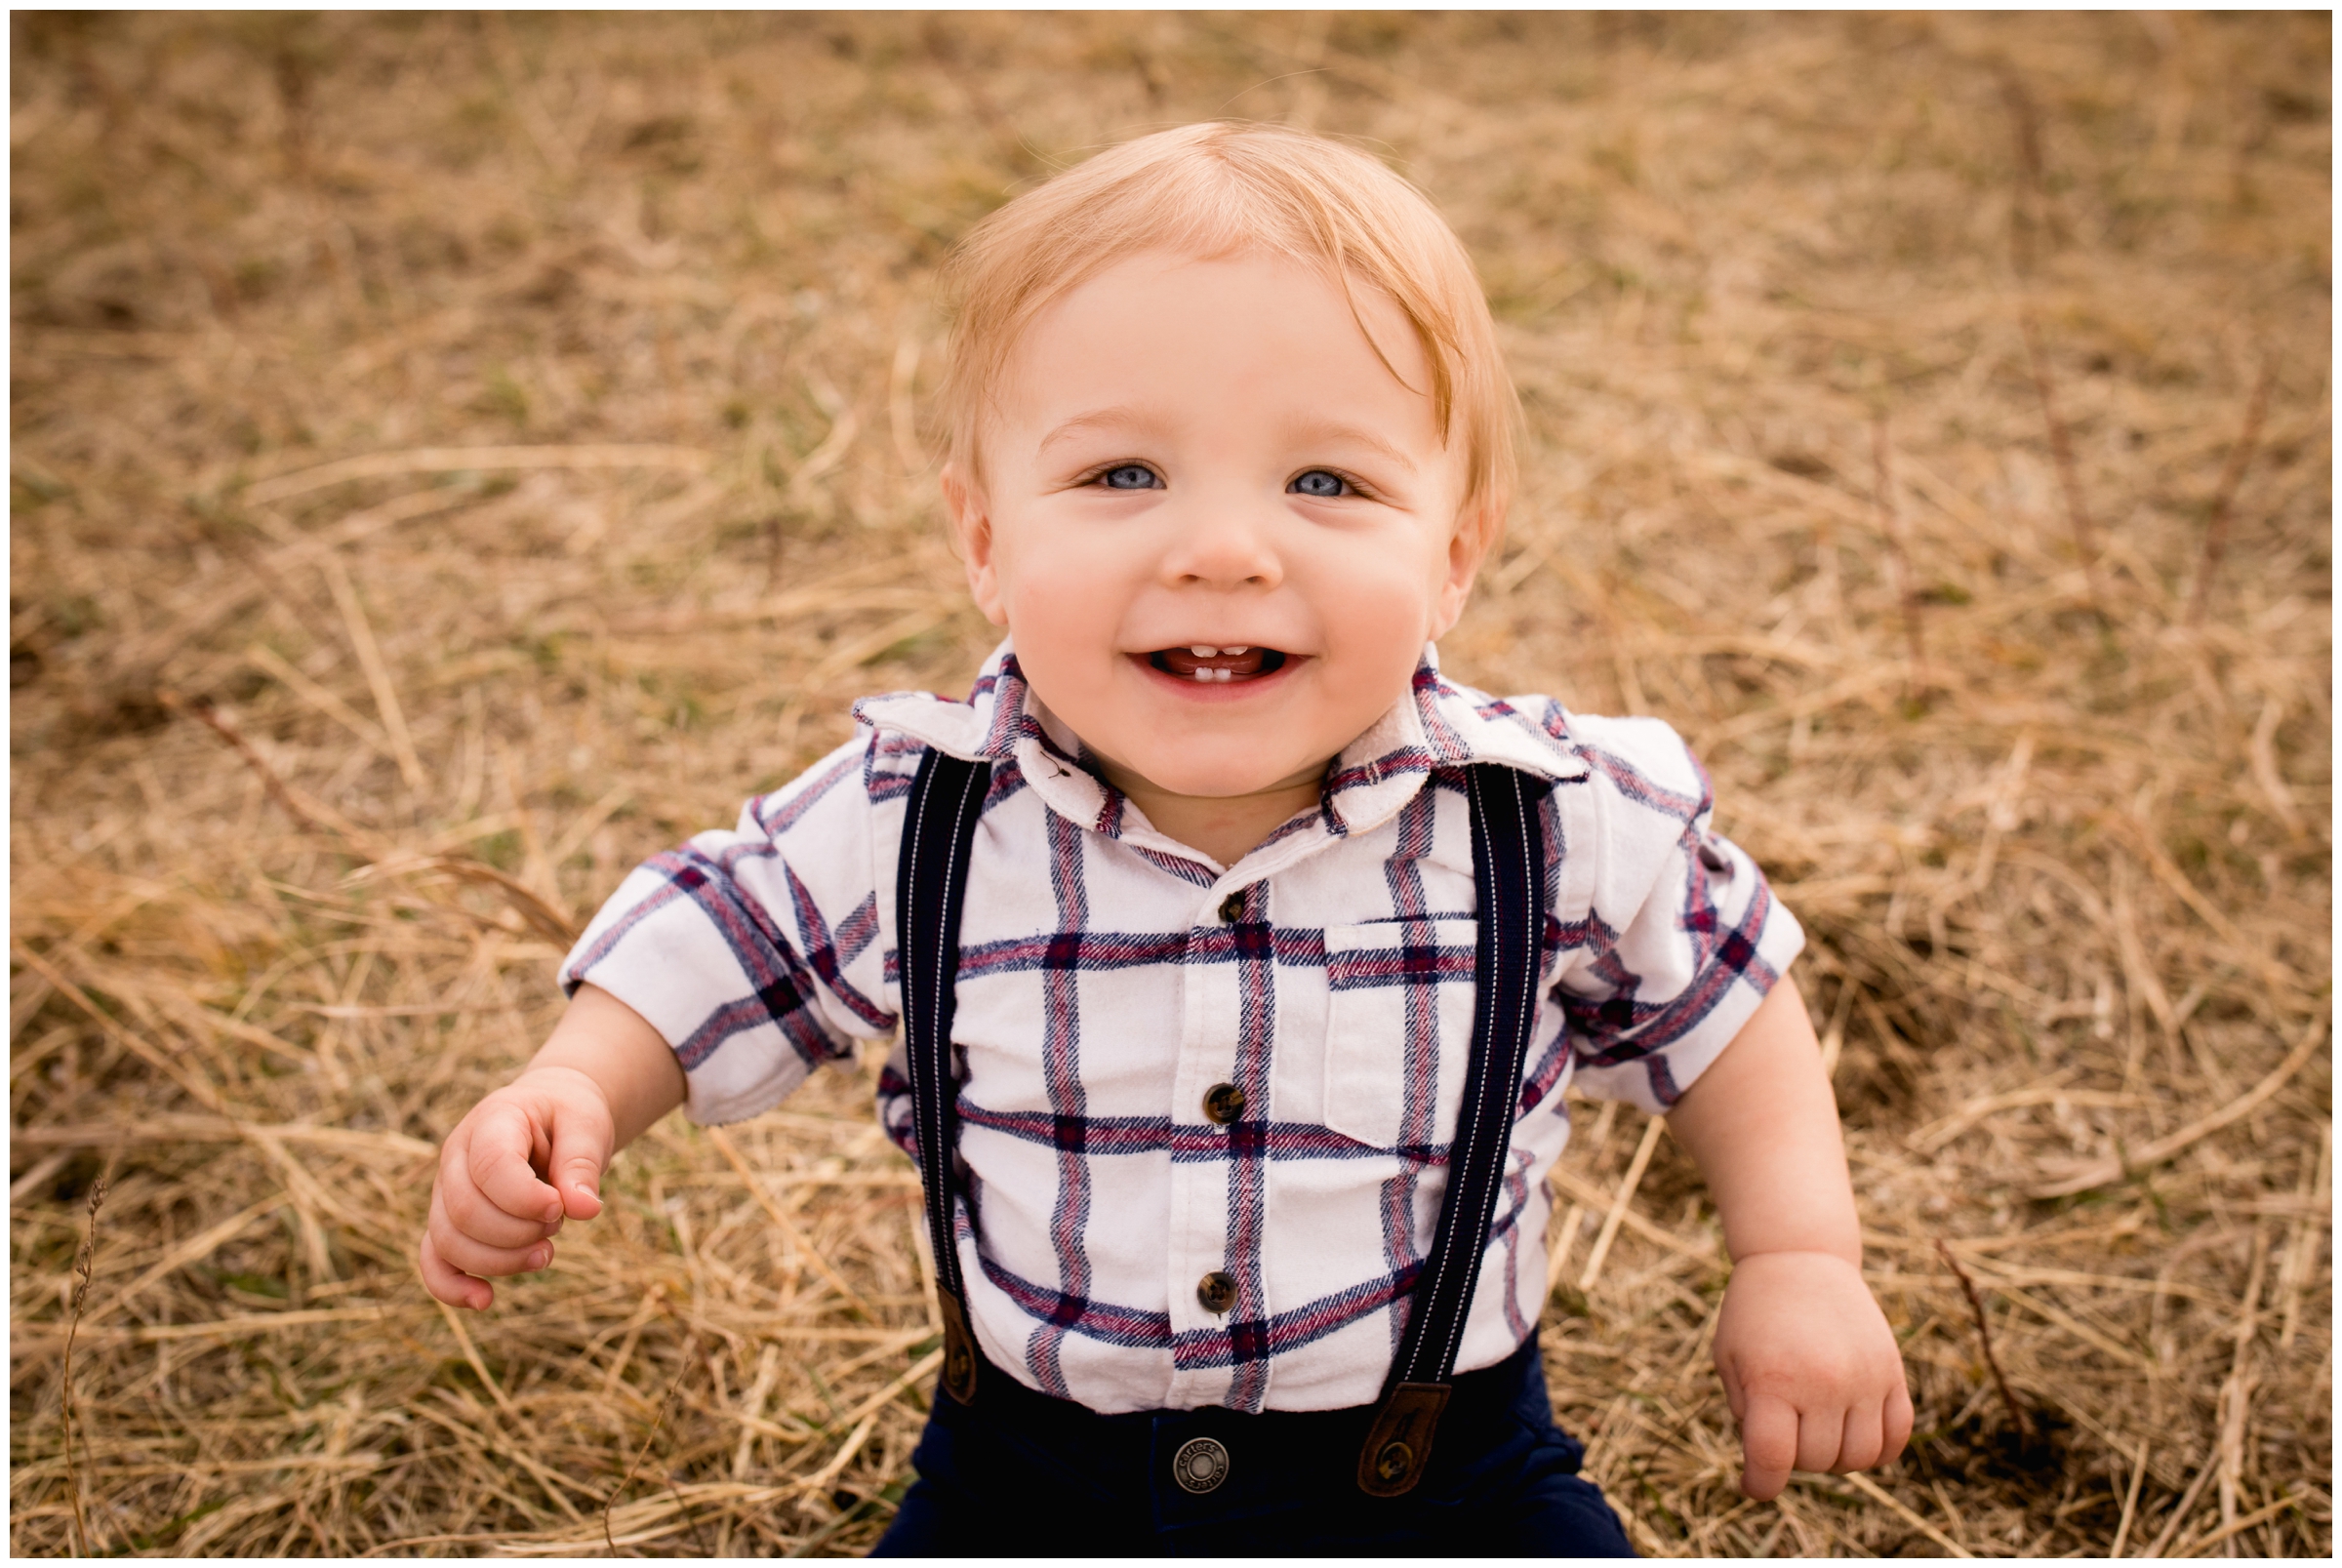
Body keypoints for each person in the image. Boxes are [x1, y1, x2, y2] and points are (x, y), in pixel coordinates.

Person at [418, 121, 1911, 1554]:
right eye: (1122, 475)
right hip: (1029, 1477)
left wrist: (1797, 1260)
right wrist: (575, 1087)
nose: (1220, 547)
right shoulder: (924, 813)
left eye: (1327, 482)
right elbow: (726, 935)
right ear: (986, 540)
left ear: (1453, 556)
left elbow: (1727, 1007)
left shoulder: (1544, 819)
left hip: (1441, 1479)